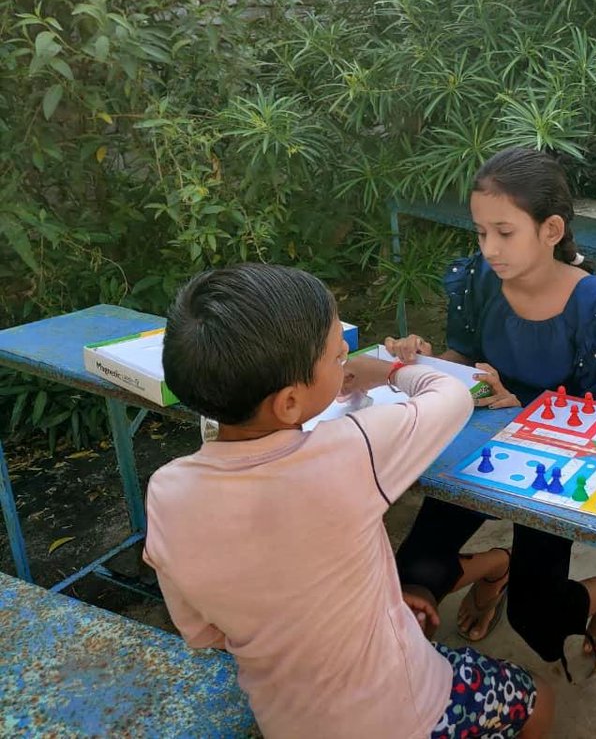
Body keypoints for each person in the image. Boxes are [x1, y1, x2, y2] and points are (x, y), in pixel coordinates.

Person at [144, 263, 554, 738]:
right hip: (405, 713)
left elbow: (204, 632)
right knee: (537, 697)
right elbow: (453, 396)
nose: (346, 353)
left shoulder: (167, 492)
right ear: (289, 404)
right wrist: (391, 370)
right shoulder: (350, 449)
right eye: (336, 356)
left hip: (287, 720)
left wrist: (377, 608)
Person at [393, 147, 596, 670]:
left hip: (548, 467)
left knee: (538, 615)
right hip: (476, 451)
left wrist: (525, 408)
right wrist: (422, 363)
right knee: (410, 575)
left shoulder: (592, 305)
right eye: (481, 232)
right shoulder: (479, 282)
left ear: (551, 229)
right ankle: (494, 566)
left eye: (504, 232)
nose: (489, 248)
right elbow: (462, 355)